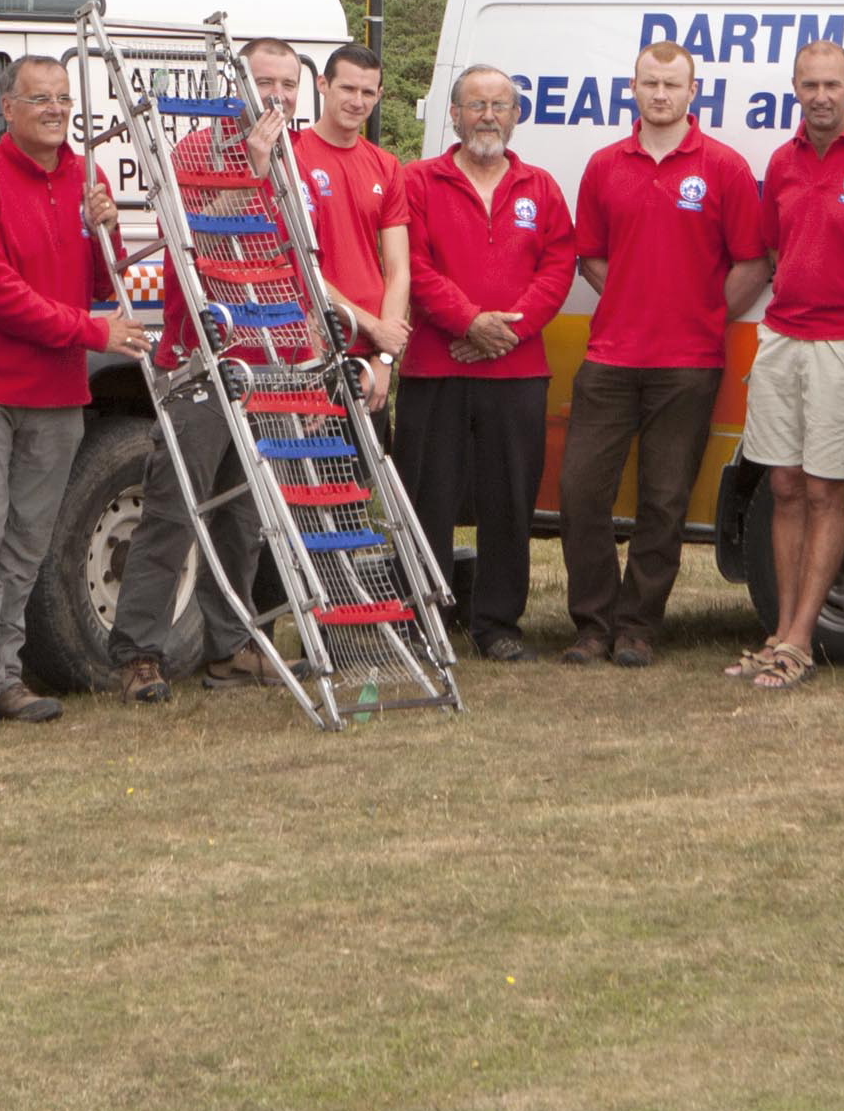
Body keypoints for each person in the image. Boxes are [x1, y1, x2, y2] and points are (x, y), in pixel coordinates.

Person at [110, 37, 317, 704]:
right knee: (173, 511)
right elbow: (197, 239)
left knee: (245, 517)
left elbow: (302, 254)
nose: (277, 97)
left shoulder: (299, 160)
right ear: (236, 85)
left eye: (287, 84)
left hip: (273, 363)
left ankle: (229, 649)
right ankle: (140, 651)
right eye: (265, 82)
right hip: (203, 361)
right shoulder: (198, 151)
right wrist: (253, 171)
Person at [0, 53, 144, 730]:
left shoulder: (86, 177)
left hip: (56, 393)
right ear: (8, 109)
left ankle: (5, 676)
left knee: (27, 541)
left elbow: (100, 284)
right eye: (40, 99)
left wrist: (107, 229)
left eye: (62, 98)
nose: (55, 110)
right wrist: (90, 332)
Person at [559, 39, 769, 667]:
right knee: (580, 494)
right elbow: (590, 255)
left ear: (692, 92)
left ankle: (637, 627)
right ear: (634, 88)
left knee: (663, 501)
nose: (660, 95)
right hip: (610, 358)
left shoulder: (723, 167)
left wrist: (701, 315)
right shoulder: (604, 165)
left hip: (688, 363)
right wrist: (629, 295)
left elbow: (752, 263)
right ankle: (591, 624)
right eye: (649, 83)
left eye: (671, 85)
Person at [734, 39, 844, 691]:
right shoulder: (781, 162)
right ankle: (779, 633)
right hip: (784, 337)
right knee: (782, 487)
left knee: (824, 489)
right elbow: (776, 249)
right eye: (809, 85)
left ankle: (802, 641)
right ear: (794, 87)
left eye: (831, 85)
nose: (820, 96)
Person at [395, 66, 574, 660]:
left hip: (516, 373)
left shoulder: (541, 187)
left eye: (500, 105)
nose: (488, 115)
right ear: (454, 114)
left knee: (509, 501)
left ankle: (497, 624)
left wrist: (507, 331)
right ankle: (423, 618)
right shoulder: (419, 181)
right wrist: (469, 321)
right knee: (429, 498)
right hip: (435, 368)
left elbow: (558, 268)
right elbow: (413, 268)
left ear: (516, 116)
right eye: (476, 104)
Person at [290, 41, 412, 367]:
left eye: (368, 92)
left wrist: (383, 356)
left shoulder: (386, 165)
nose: (357, 102)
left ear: (379, 95)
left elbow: (399, 269)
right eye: (347, 88)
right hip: (310, 347)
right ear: (322, 85)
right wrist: (375, 327)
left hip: (370, 352)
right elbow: (295, 265)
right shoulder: (291, 156)